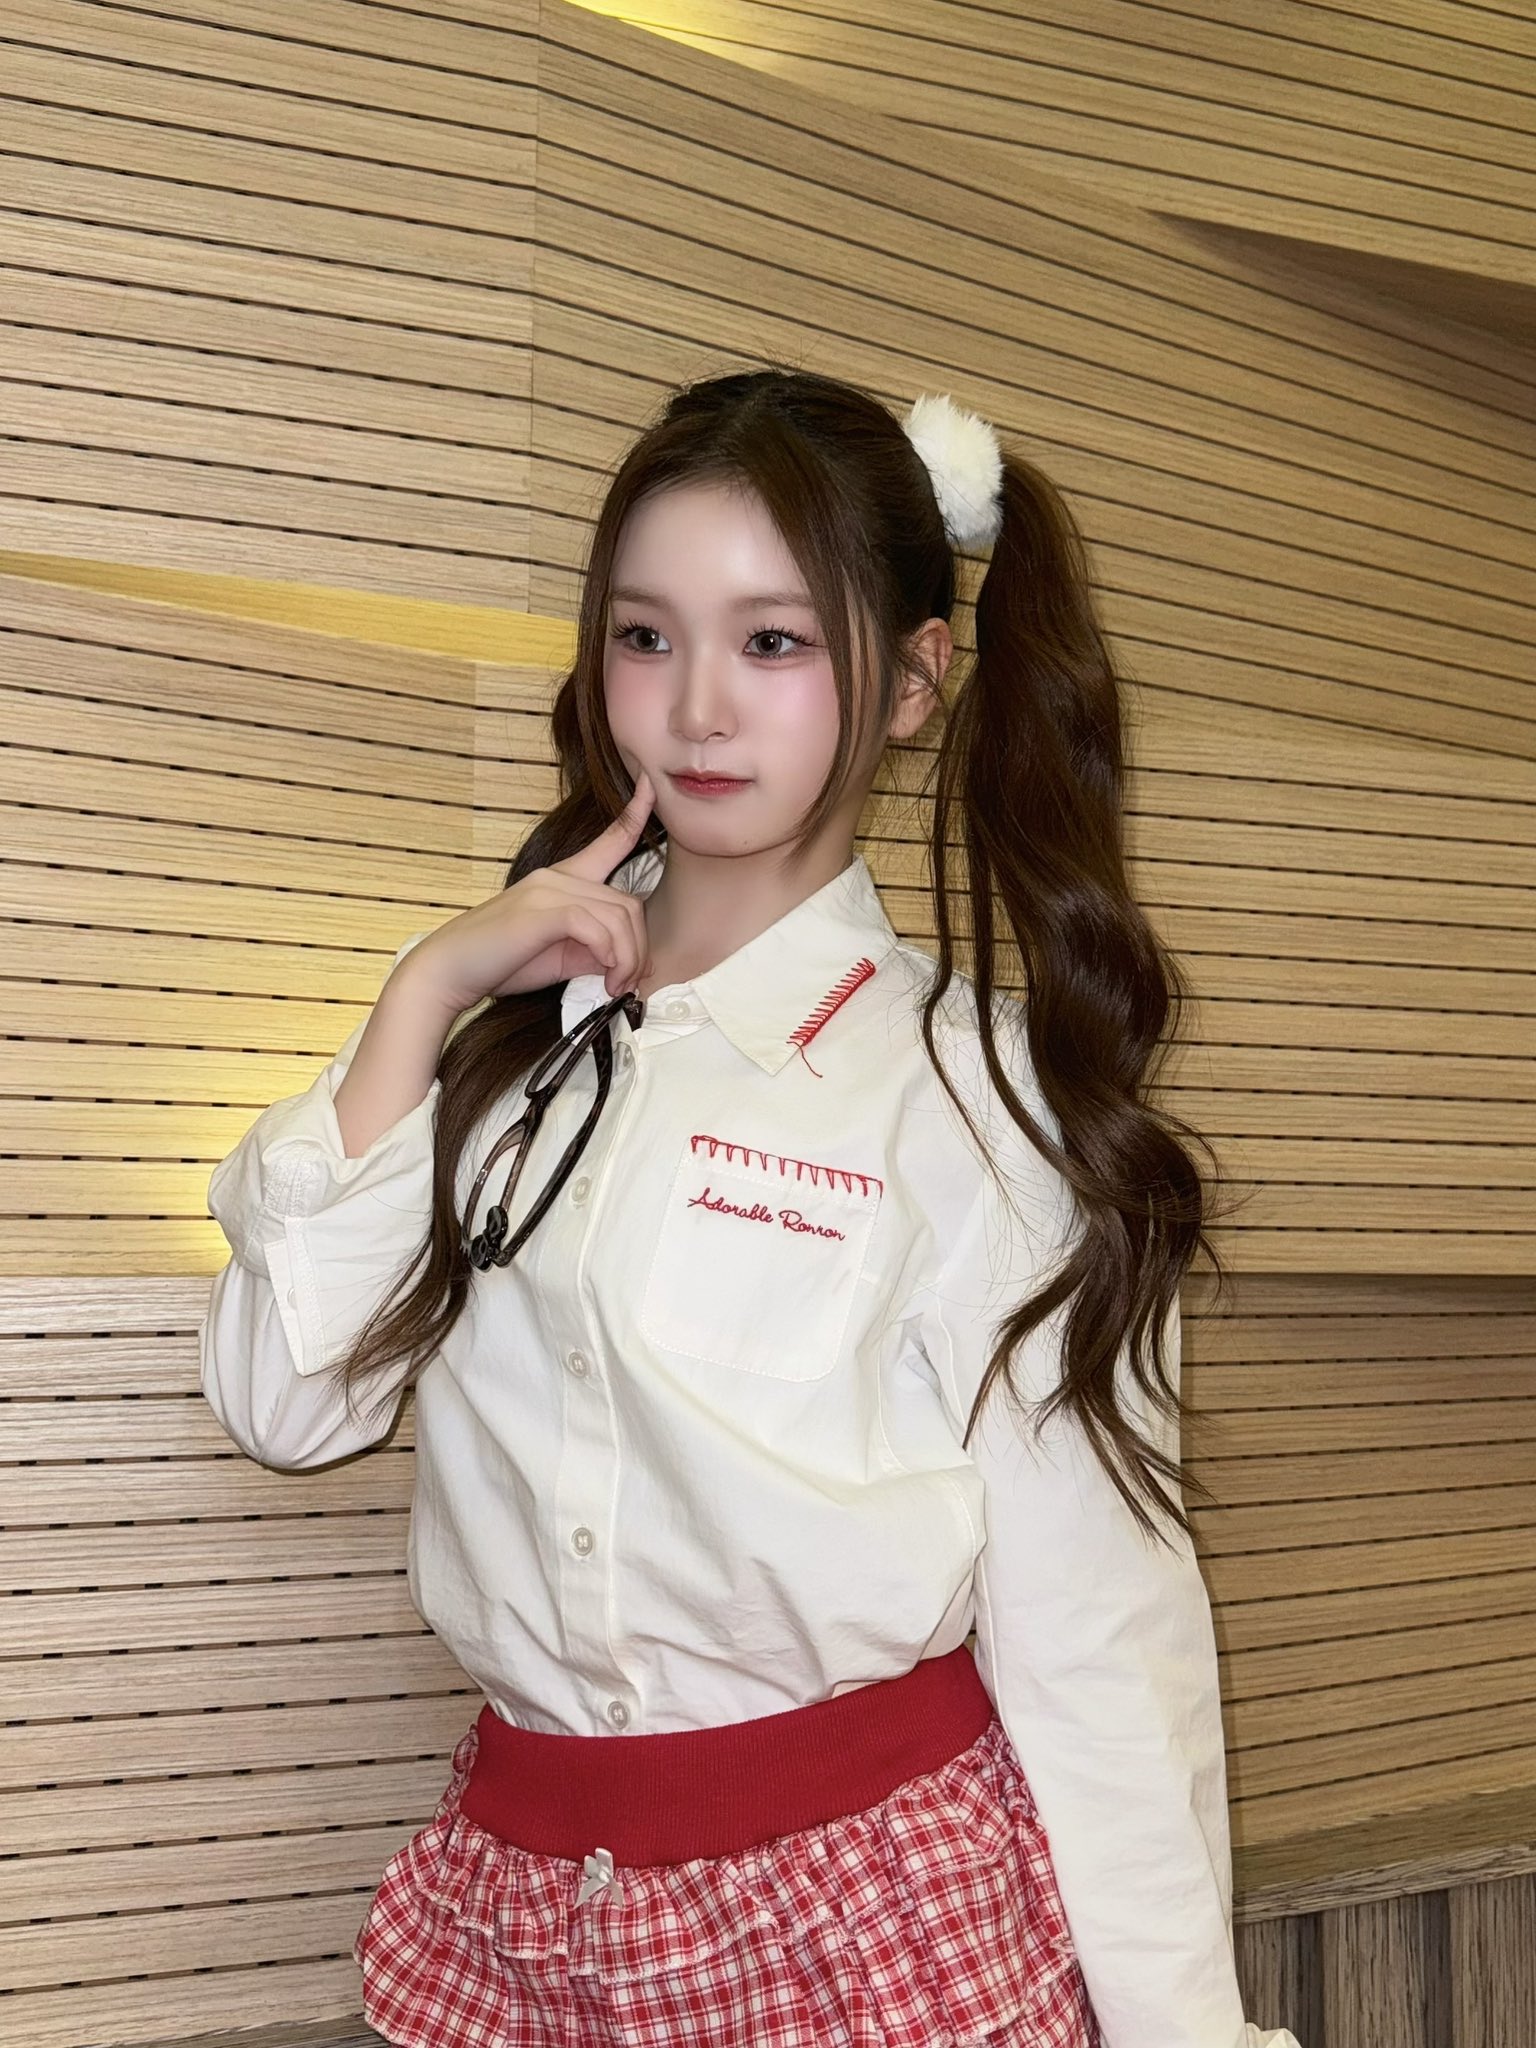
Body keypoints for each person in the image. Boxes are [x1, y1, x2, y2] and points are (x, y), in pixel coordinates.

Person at [200, 366, 1303, 2048]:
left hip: (871, 1926)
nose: (698, 708)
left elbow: (1099, 1632)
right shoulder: (502, 1055)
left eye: (772, 642)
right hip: (529, 1916)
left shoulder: (981, 1097)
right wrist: (423, 997)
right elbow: (284, 1407)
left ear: (916, 680)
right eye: (646, 638)